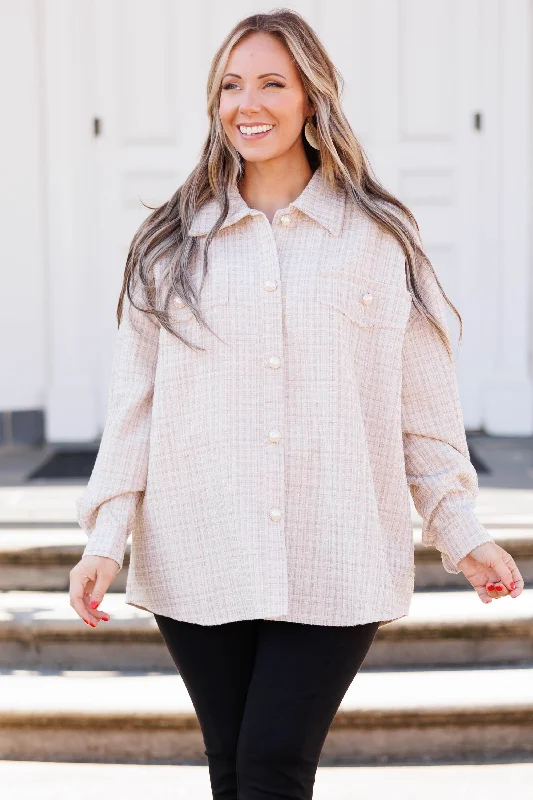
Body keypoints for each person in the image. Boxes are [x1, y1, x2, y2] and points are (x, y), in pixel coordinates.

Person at [69, 9, 523, 799]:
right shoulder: (172, 245)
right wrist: (106, 538)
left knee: (273, 763)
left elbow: (420, 409)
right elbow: (134, 404)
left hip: (335, 549)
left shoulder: (377, 238)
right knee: (232, 768)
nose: (248, 102)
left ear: (312, 98)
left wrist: (461, 532)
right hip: (200, 549)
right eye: (231, 85)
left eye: (272, 83)